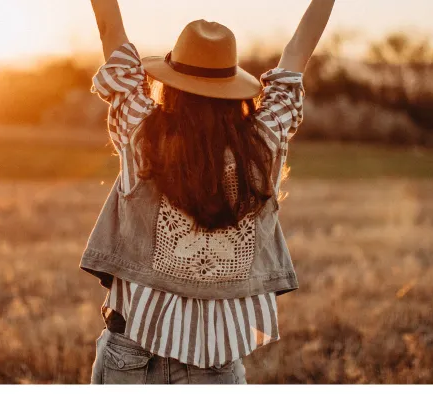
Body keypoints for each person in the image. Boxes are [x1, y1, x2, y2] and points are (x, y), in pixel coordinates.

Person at [81, 0, 336, 384]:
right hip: (215, 362)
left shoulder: (141, 133)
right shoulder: (265, 143)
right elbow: (298, 52)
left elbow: (110, 33)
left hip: (132, 354)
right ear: (234, 88)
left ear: (171, 83)